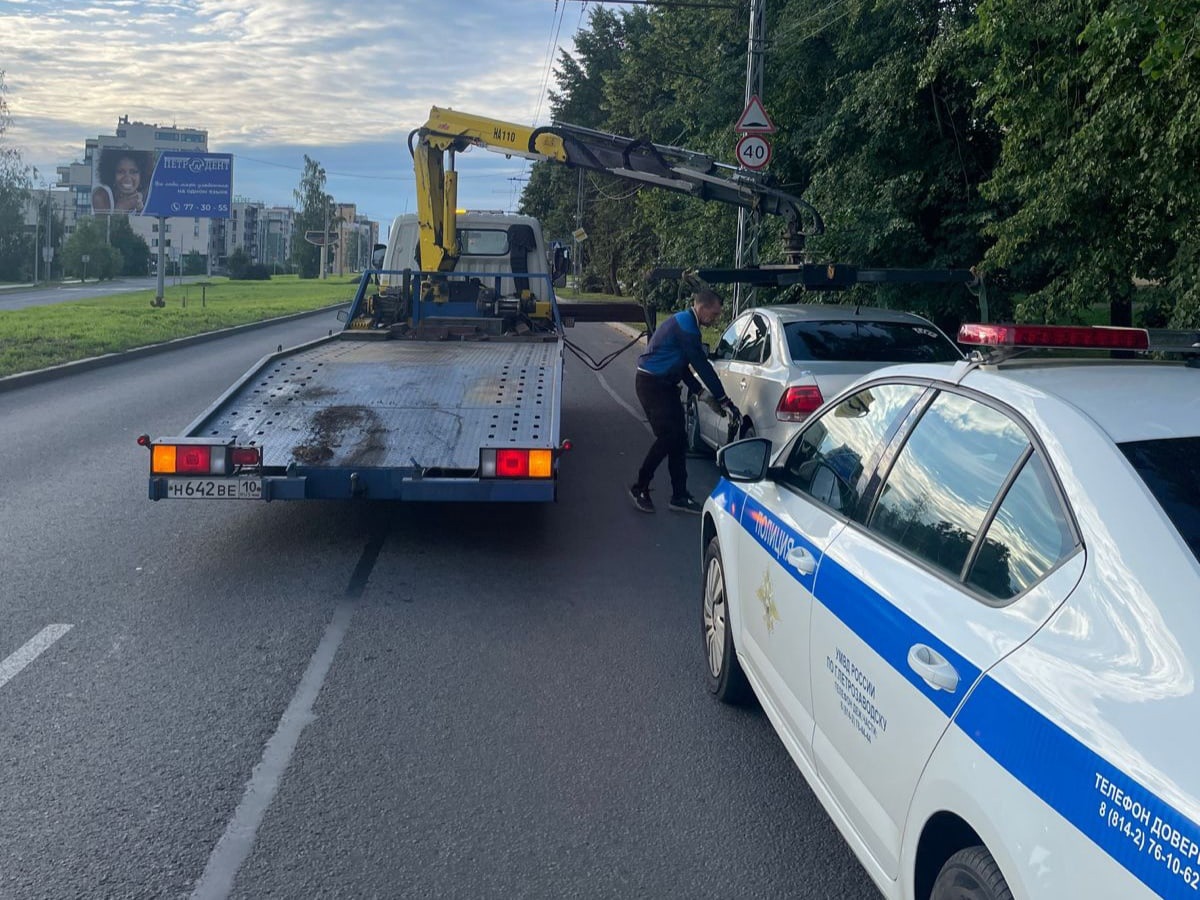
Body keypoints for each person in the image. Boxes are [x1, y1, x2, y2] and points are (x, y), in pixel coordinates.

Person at [630, 289, 741, 514]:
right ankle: (639, 487)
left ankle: (679, 496)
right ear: (703, 307)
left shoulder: (685, 322)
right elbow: (701, 365)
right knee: (669, 436)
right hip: (651, 385)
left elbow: (682, 366)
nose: (716, 318)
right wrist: (724, 400)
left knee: (679, 440)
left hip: (665, 385)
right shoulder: (687, 328)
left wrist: (700, 392)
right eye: (715, 314)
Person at [91, 149, 152, 214]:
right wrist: (122, 207)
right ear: (112, 175)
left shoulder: (147, 196)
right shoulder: (101, 196)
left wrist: (141, 210)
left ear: (141, 176)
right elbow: (103, 223)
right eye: (121, 172)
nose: (127, 178)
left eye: (133, 172)